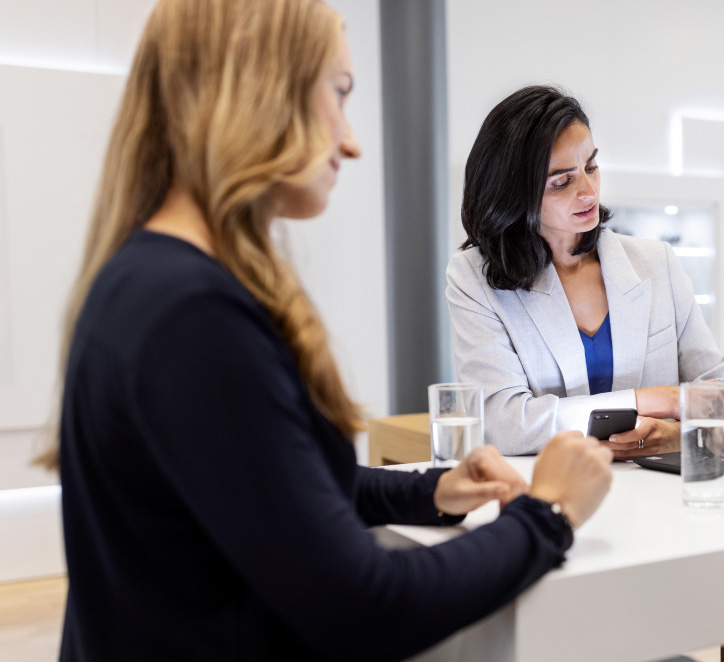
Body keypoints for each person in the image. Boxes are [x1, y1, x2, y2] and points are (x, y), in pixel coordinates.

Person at [44, 2, 615, 660]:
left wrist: (432, 489)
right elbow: (366, 605)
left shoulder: (148, 282)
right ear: (254, 88)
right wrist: (548, 515)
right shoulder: (194, 318)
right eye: (338, 94)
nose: (351, 141)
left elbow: (281, 494)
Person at [446, 86, 724, 457]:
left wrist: (678, 437)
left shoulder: (657, 263)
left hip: (657, 490)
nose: (589, 192)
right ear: (512, 192)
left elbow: (719, 395)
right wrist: (655, 401)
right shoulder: (473, 277)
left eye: (590, 167)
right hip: (548, 493)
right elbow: (505, 423)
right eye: (562, 181)